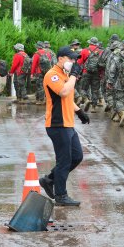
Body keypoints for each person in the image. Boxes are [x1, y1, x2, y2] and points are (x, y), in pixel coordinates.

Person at [38, 46, 90, 206]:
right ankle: (61, 196)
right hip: (57, 124)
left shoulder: (64, 74)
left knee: (77, 156)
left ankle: (49, 180)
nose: (73, 62)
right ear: (60, 58)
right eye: (70, 59)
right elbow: (64, 92)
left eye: (74, 59)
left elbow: (68, 98)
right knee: (64, 161)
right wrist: (74, 74)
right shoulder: (52, 75)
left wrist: (79, 111)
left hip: (68, 123)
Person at [79, 37, 101, 113]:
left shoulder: (84, 50)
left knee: (83, 89)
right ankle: (93, 107)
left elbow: (79, 62)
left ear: (90, 43)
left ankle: (86, 100)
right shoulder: (100, 51)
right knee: (95, 90)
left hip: (86, 72)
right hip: (96, 73)